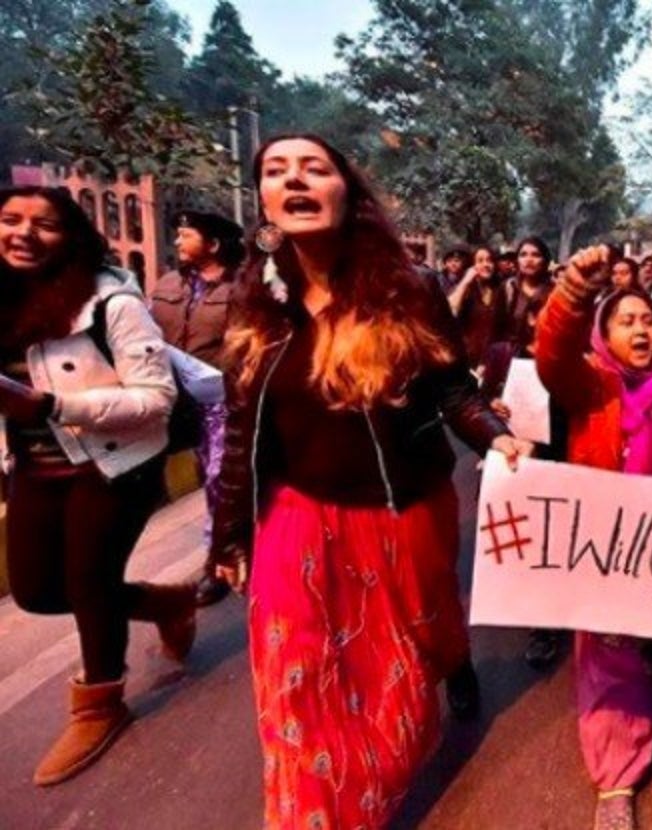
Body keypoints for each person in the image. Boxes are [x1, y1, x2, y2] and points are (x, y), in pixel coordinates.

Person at [210, 134, 528, 829]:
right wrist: (229, 534)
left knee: (407, 668)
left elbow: (453, 390)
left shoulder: (409, 288)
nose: (295, 180)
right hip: (294, 514)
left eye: (314, 168)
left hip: (401, 508)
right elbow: (240, 426)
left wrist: (495, 436)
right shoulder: (254, 300)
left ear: (347, 193)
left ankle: (452, 662)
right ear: (263, 202)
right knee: (295, 680)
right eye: (276, 171)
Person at [0, 186, 194, 786]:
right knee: (36, 592)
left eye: (44, 224)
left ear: (72, 236)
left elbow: (156, 398)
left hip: (113, 466)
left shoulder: (111, 301)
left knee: (90, 582)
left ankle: (100, 703)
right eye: (9, 219)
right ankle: (164, 602)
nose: (23, 233)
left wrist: (51, 405)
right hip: (33, 467)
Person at [535, 246, 652, 830]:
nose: (642, 329)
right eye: (627, 321)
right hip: (605, 546)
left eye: (649, 320)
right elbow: (551, 356)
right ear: (604, 335)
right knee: (608, 657)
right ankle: (617, 777)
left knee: (648, 639)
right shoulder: (591, 385)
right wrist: (574, 292)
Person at [149, 210, 245, 607]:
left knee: (220, 478)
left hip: (225, 402)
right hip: (179, 400)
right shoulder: (167, 284)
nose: (177, 242)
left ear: (214, 244)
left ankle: (217, 559)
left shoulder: (243, 287)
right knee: (207, 475)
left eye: (185, 235)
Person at [479, 282, 570, 671]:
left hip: (567, 462)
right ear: (531, 317)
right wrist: (493, 409)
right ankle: (541, 627)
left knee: (561, 542)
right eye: (545, 311)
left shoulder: (578, 360)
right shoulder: (504, 355)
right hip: (523, 462)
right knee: (533, 546)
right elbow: (478, 405)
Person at [449, 245, 510, 371]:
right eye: (480, 261)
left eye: (489, 260)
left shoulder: (501, 289)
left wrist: (487, 362)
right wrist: (466, 281)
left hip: (492, 360)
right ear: (472, 265)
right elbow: (450, 311)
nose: (486, 265)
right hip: (465, 360)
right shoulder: (466, 289)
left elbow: (502, 330)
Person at [504, 236, 553, 343]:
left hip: (546, 349)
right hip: (512, 350)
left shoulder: (555, 291)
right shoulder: (509, 288)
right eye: (523, 255)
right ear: (517, 260)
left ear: (545, 260)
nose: (529, 260)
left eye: (536, 255)